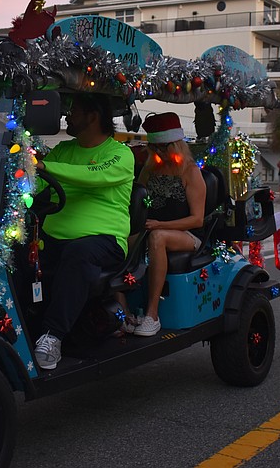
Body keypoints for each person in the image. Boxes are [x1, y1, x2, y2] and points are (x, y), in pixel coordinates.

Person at [32, 93, 135, 369]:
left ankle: (53, 336)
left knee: (78, 253)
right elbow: (37, 186)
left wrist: (44, 166)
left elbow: (93, 176)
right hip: (54, 237)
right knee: (18, 249)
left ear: (93, 116)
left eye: (73, 110)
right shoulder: (64, 150)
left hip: (104, 241)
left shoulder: (119, 154)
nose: (67, 116)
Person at [124, 112, 206, 337]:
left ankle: (153, 314)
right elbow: (137, 199)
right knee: (118, 239)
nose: (159, 153)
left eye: (163, 147)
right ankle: (125, 312)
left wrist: (161, 224)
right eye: (155, 148)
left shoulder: (190, 171)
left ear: (176, 144)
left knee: (157, 238)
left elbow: (197, 219)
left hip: (187, 234)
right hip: (151, 227)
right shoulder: (150, 169)